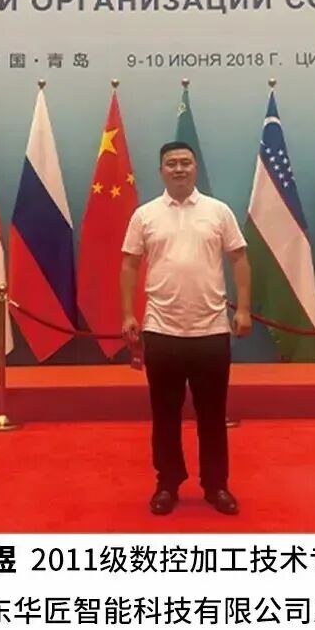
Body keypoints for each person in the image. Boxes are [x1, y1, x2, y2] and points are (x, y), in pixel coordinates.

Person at [120, 141, 251, 516]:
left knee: (213, 416)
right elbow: (129, 265)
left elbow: (239, 259)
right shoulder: (145, 215)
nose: (179, 169)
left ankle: (216, 485)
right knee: (165, 416)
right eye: (171, 163)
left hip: (211, 331)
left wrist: (244, 309)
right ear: (161, 170)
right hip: (161, 331)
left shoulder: (218, 211)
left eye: (185, 163)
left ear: (195, 168)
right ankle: (167, 484)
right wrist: (127, 314)